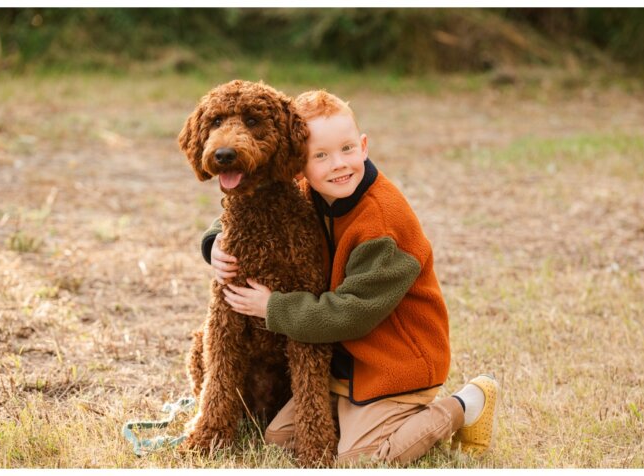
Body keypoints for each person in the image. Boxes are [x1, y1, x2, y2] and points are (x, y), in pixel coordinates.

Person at [200, 89, 497, 465]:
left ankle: (465, 405)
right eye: (319, 156)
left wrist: (273, 307)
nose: (336, 165)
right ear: (297, 165)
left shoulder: (383, 224)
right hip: (345, 361)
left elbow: (351, 313)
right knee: (276, 438)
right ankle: (353, 414)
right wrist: (214, 243)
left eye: (346, 150)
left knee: (360, 460)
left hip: (394, 365)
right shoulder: (311, 189)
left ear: (363, 146)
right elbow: (252, 206)